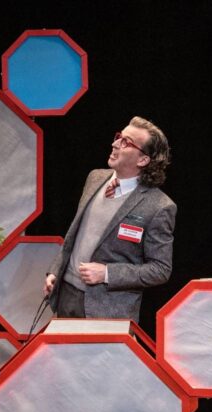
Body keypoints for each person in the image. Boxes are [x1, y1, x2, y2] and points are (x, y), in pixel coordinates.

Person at [44, 116, 175, 323]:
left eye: (126, 142)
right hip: (67, 296)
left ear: (143, 160)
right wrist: (56, 271)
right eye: (118, 137)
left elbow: (160, 269)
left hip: (108, 311)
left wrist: (107, 273)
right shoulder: (95, 177)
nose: (115, 144)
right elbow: (76, 233)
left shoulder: (159, 207)